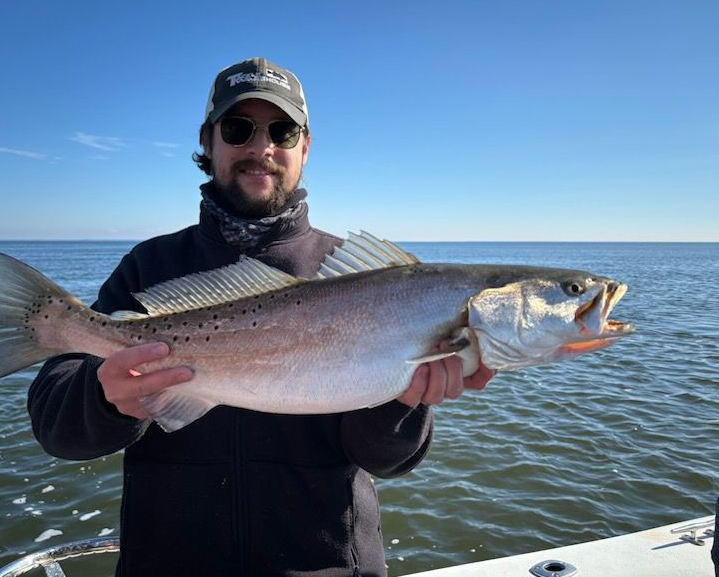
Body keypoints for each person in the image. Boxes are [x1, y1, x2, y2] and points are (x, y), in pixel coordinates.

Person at [28, 57, 495, 576]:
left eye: (282, 131)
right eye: (238, 129)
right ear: (207, 142)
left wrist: (402, 403)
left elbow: (387, 460)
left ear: (305, 146)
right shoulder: (149, 265)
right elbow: (56, 430)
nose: (261, 147)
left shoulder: (361, 278)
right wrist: (105, 398)